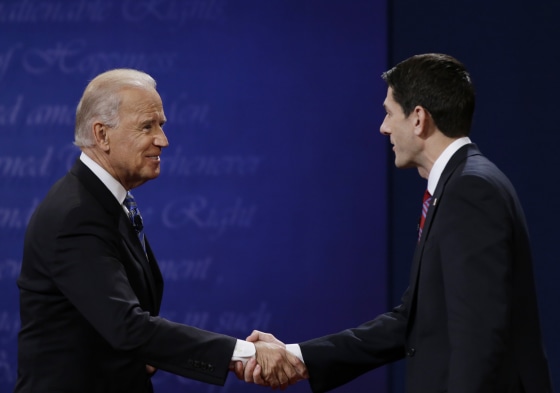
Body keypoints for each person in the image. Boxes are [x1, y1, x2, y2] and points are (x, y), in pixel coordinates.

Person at [238, 53, 553, 393]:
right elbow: (412, 322)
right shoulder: (460, 184)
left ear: (418, 119)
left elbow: (478, 339)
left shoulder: (469, 191)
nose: (383, 127)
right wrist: (299, 357)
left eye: (389, 113)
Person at [14, 68, 306, 392]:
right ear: (101, 135)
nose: (163, 141)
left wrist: (144, 353)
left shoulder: (103, 203)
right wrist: (244, 353)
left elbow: (113, 328)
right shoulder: (76, 214)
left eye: (161, 126)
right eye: (147, 127)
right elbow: (128, 327)